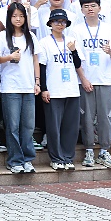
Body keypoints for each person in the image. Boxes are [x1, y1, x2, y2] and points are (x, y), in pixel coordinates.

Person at [72, 0, 111, 168]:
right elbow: (76, 58)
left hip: (106, 79)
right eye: (86, 6)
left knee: (106, 116)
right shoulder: (77, 30)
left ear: (100, 8)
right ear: (81, 10)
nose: (90, 9)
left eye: (93, 5)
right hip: (86, 80)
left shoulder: (110, 29)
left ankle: (104, 151)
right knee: (86, 117)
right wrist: (83, 78)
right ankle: (88, 150)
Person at [0, 3, 41, 174]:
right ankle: (15, 160)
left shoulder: (30, 36)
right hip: (10, 87)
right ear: (9, 18)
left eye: (21, 16)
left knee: (28, 126)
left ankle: (27, 159)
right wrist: (9, 57)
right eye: (14, 16)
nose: (18, 19)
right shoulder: (2, 36)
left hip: (28, 86)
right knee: (12, 126)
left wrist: (37, 82)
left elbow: (35, 60)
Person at [39, 9, 87, 170]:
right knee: (54, 127)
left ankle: (68, 157)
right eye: (56, 21)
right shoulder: (45, 42)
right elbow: (42, 67)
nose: (60, 24)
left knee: (71, 127)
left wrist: (73, 51)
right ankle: (56, 158)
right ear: (50, 24)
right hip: (54, 90)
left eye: (63, 22)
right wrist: (44, 88)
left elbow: (78, 64)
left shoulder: (72, 41)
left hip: (71, 89)